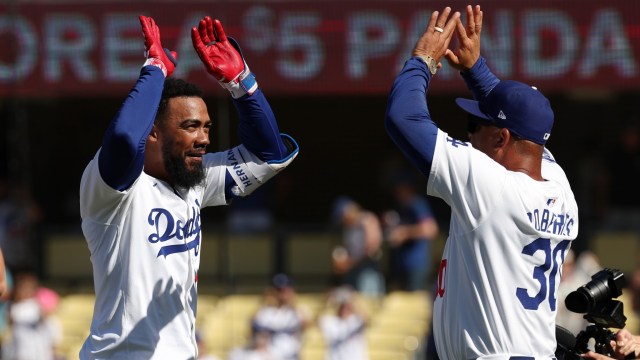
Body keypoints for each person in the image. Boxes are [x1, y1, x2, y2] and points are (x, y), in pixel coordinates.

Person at [78, 15, 298, 359]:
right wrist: (155, 69)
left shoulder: (195, 181)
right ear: (153, 132)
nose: (204, 139)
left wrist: (242, 84)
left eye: (207, 127)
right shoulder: (112, 189)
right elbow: (123, 137)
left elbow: (269, 155)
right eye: (191, 126)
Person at [384, 5, 579, 359]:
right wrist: (476, 71)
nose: (470, 135)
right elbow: (523, 127)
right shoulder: (558, 185)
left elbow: (404, 118)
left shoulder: (491, 187)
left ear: (502, 139)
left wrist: (422, 60)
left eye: (476, 127)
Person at [382, 175, 439, 291]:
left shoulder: (417, 204)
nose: (397, 192)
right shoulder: (399, 207)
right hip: (399, 265)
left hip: (416, 265)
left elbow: (431, 229)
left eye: (400, 188)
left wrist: (404, 233)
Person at [331, 197, 385, 297]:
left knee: (368, 297)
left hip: (368, 268)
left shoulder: (367, 220)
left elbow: (372, 247)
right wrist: (341, 258)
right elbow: (348, 247)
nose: (343, 220)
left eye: (343, 216)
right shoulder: (348, 227)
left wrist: (350, 262)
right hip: (353, 269)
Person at [251, 274, 311, 360]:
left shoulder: (298, 310)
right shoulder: (266, 311)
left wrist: (292, 301)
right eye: (278, 290)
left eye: (285, 290)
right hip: (271, 356)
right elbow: (253, 323)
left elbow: (307, 324)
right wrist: (264, 300)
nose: (282, 294)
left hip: (291, 356)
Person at [318, 286, 369, 360]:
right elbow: (316, 321)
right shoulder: (331, 321)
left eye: (346, 307)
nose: (344, 309)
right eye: (341, 306)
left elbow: (368, 321)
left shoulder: (356, 320)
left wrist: (353, 302)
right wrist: (327, 303)